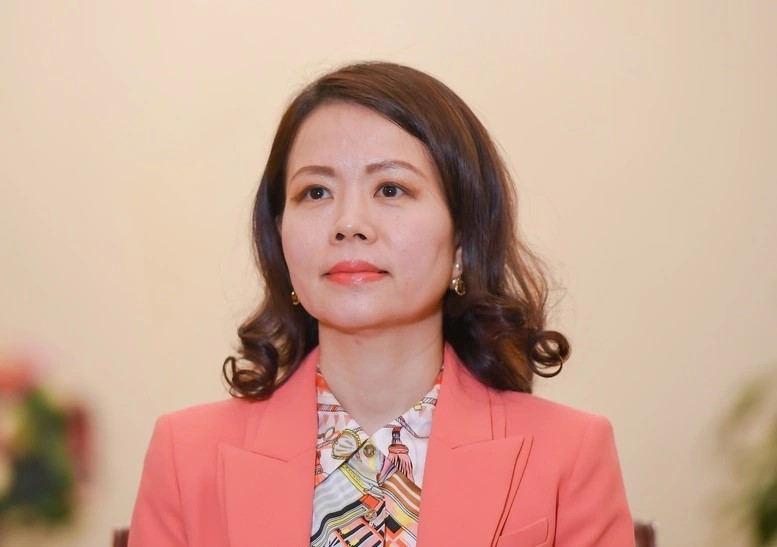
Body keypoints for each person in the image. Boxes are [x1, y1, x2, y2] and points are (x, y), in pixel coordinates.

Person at [129, 61, 634, 546]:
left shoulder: (569, 453)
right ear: (279, 236)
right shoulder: (185, 456)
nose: (349, 223)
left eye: (390, 189)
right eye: (315, 192)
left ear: (462, 241)